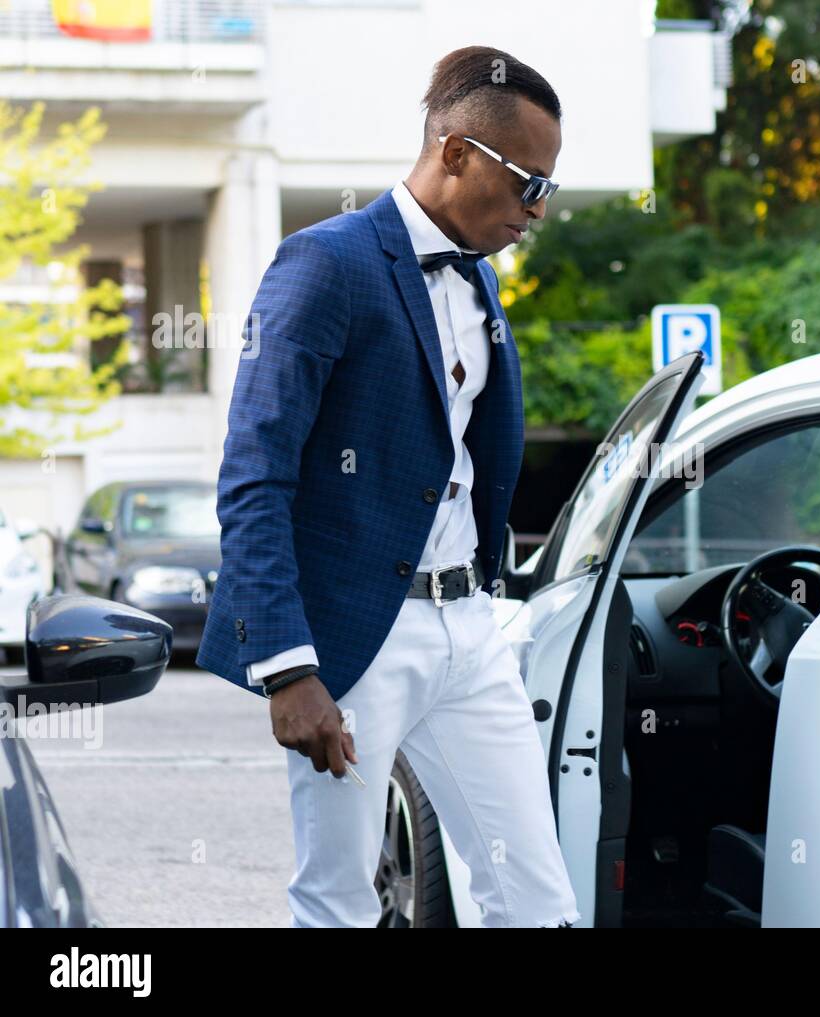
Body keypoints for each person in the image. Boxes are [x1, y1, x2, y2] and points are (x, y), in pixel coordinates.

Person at [196, 45, 580, 928]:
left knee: (534, 894)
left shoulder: (481, 280)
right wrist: (288, 667)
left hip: (466, 632)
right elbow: (255, 470)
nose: (538, 209)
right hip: (355, 638)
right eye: (529, 183)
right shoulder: (325, 263)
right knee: (339, 900)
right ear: (455, 153)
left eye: (548, 190)